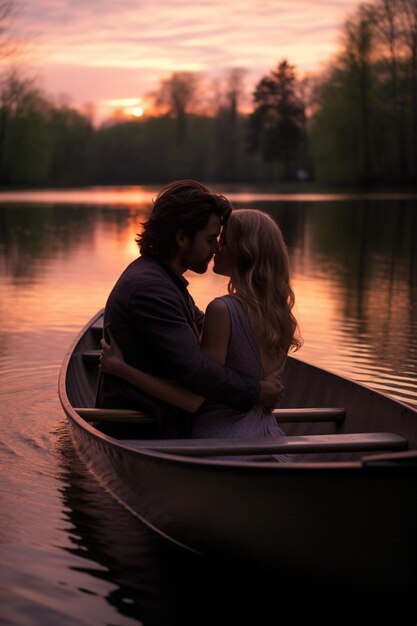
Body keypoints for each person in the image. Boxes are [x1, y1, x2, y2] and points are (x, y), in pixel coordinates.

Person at [100, 207, 302, 458]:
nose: (216, 248)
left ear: (243, 252)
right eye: (213, 239)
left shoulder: (222, 310)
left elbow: (192, 400)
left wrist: (121, 369)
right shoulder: (282, 318)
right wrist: (259, 391)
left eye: (223, 241)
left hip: (219, 440)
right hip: (269, 438)